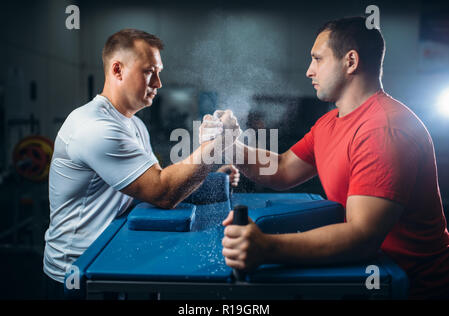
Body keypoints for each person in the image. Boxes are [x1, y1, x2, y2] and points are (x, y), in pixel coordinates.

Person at [213, 17, 449, 299]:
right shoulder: (330, 123)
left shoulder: (384, 130)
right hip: (370, 275)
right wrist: (230, 145)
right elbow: (284, 168)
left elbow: (362, 236)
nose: (309, 71)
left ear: (350, 61)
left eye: (317, 59)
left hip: (413, 287)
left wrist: (266, 247)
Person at [43, 29, 240, 299]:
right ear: (117, 70)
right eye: (149, 72)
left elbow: (147, 186)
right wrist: (216, 144)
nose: (158, 83)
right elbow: (161, 192)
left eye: (159, 72)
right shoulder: (95, 127)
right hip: (79, 272)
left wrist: (216, 181)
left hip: (114, 255)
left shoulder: (134, 124)